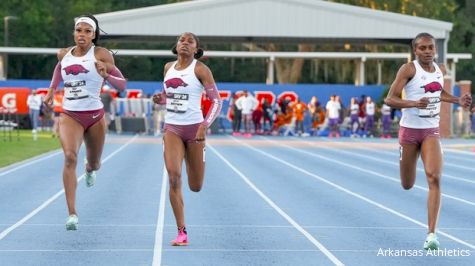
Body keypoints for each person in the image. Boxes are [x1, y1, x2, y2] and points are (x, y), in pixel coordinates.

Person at [384, 32, 472, 250]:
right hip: (409, 133)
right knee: (407, 184)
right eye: (422, 48)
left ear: (435, 49)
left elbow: (438, 92)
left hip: (431, 131)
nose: (427, 51)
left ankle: (431, 234)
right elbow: (390, 98)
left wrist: (458, 100)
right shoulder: (409, 69)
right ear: (416, 50)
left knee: (434, 176)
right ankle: (404, 158)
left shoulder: (440, 69)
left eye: (430, 47)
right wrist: (414, 104)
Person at [43, 14, 127, 231]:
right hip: (70, 115)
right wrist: (52, 89)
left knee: (94, 162)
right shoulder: (63, 53)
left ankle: (90, 170)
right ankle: (72, 213)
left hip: (95, 117)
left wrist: (106, 74)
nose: (82, 35)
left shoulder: (102, 54)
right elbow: (59, 68)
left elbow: (123, 86)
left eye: (87, 31)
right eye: (79, 30)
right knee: (70, 157)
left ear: (94, 35)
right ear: (74, 32)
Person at [152, 32, 222, 246]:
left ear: (196, 49)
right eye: (182, 40)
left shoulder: (200, 69)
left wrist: (204, 125)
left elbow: (217, 101)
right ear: (176, 46)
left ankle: (198, 162)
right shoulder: (167, 67)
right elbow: (169, 94)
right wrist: (160, 98)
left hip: (195, 131)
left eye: (190, 41)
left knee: (195, 186)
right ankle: (182, 232)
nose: (184, 43)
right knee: (173, 177)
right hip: (172, 128)